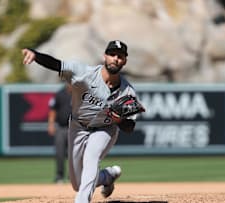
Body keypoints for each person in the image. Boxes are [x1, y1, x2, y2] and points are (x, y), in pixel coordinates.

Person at [22, 40, 141, 203]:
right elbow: (57, 65)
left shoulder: (128, 92)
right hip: (78, 127)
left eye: (120, 56)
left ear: (125, 61)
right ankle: (107, 176)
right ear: (104, 56)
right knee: (77, 183)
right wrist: (36, 55)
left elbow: (129, 127)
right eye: (112, 54)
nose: (116, 59)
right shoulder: (85, 73)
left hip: (105, 129)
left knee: (92, 156)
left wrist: (118, 119)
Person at [48, 83, 72, 183]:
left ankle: (73, 176)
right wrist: (51, 124)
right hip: (61, 127)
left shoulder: (78, 93)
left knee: (74, 154)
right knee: (60, 153)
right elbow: (53, 110)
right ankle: (59, 176)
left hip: (74, 128)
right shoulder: (60, 94)